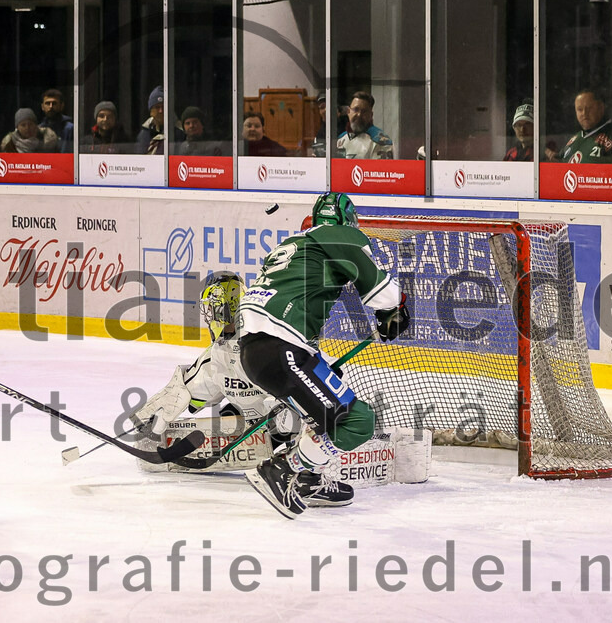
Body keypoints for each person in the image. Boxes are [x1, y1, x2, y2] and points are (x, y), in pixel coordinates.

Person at [237, 192, 410, 518]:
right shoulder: (338, 235)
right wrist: (396, 309)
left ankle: (309, 480)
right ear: (347, 223)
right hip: (279, 348)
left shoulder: (294, 245)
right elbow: (381, 291)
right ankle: (285, 470)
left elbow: (293, 314)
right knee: (357, 422)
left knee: (323, 410)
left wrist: (323, 365)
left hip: (259, 348)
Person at [132, 271, 355, 507]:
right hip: (258, 432)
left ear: (226, 308)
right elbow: (187, 390)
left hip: (291, 428)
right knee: (231, 412)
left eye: (212, 308)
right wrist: (151, 418)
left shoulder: (272, 341)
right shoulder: (217, 355)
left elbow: (309, 379)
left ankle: (309, 479)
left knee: (300, 410)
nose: (209, 316)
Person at [546, 89, 612, 164]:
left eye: (589, 108)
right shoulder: (575, 139)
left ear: (601, 108)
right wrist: (554, 158)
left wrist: (591, 161)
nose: (584, 113)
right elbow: (562, 162)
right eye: (579, 109)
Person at [336, 92, 393, 160]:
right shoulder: (341, 138)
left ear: (371, 115)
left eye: (364, 111)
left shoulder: (379, 142)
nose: (359, 114)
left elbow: (380, 170)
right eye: (356, 109)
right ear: (348, 112)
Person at [136, 85, 183, 155]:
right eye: (157, 107)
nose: (161, 111)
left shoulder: (180, 132)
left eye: (164, 107)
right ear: (151, 111)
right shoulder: (144, 134)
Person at [39, 89, 74, 153]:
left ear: (61, 105)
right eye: (47, 103)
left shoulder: (70, 129)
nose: (51, 106)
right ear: (42, 107)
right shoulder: (39, 129)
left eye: (54, 103)